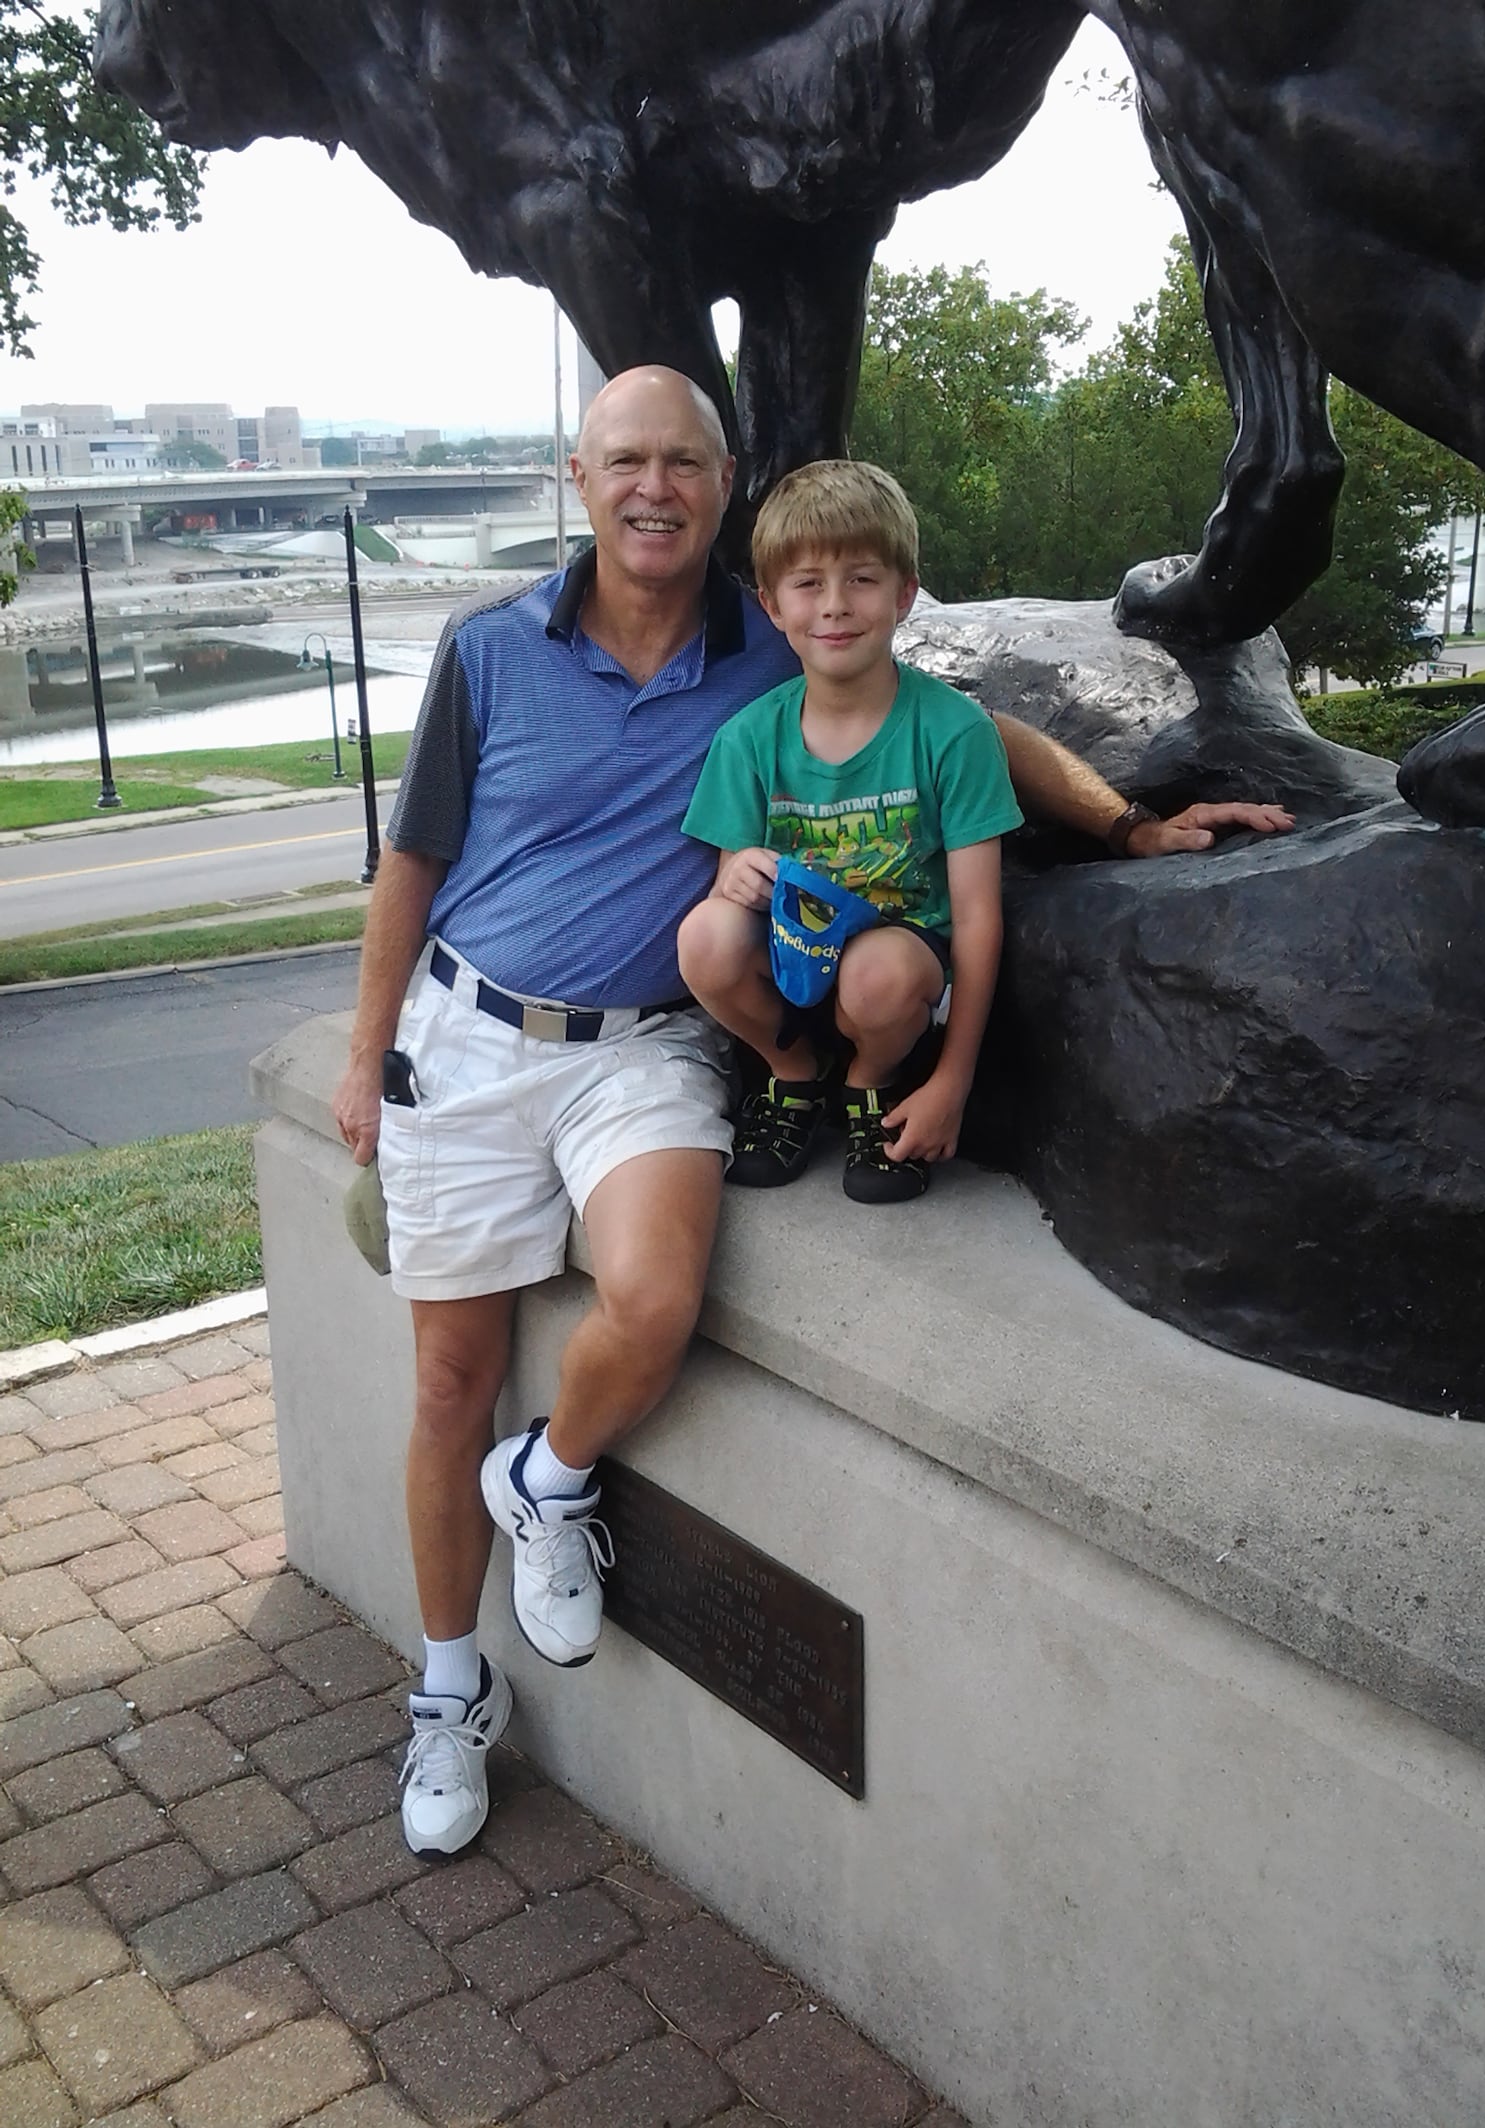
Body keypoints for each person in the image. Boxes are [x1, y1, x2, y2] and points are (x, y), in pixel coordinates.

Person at [329, 365, 1294, 1863]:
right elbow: (414, 859)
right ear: (580, 483)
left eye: (684, 462)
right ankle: (451, 1692)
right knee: (450, 1380)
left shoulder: (767, 641)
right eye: (624, 461)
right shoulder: (487, 650)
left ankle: (556, 1474)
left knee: (649, 1302)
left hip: (645, 1047)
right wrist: (364, 1048)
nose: (653, 487)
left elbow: (965, 728)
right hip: (466, 1033)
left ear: (721, 482)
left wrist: (1127, 823)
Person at [678, 458, 1021, 1203]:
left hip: (896, 975)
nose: (834, 605)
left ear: (904, 593)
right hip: (791, 963)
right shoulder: (747, 739)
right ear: (772, 604)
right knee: (703, 934)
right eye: (807, 583)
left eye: (861, 579)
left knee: (880, 975)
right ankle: (796, 1075)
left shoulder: (954, 731)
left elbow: (978, 917)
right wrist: (734, 876)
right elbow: (730, 877)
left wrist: (955, 1079)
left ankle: (877, 1079)